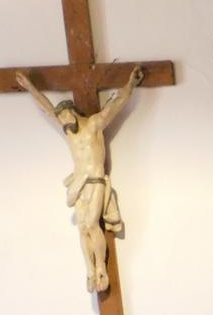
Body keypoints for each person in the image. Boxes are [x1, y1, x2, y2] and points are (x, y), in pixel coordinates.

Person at [15, 66, 144, 293]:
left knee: (92, 223)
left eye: (65, 118)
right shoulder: (69, 132)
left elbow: (115, 105)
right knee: (82, 228)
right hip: (79, 183)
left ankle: (101, 268)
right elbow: (47, 108)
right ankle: (90, 270)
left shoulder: (93, 125)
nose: (64, 124)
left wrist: (131, 84)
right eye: (62, 121)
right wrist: (30, 87)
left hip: (95, 180)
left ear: (73, 112)